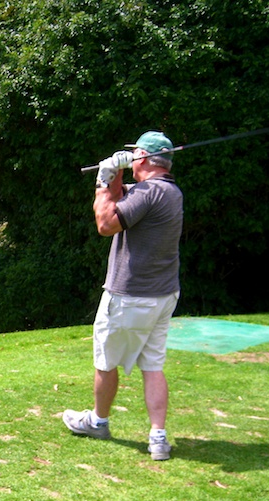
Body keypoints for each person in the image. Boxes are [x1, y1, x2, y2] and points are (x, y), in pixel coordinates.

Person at [62, 130, 183, 460]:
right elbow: (125, 198)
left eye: (134, 155)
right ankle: (158, 438)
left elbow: (106, 223)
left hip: (130, 296)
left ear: (142, 158)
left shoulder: (148, 193)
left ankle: (98, 422)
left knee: (105, 362)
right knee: (153, 366)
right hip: (163, 296)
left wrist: (103, 182)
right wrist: (114, 175)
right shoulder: (169, 192)